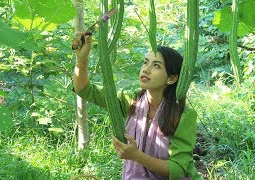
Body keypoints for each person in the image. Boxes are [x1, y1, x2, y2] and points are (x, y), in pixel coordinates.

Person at [72, 32, 203, 180]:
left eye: (156, 65)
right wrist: (81, 58)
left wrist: (136, 156)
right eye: (145, 62)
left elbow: (177, 169)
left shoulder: (184, 115)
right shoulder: (131, 101)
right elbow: (84, 89)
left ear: (171, 78)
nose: (146, 69)